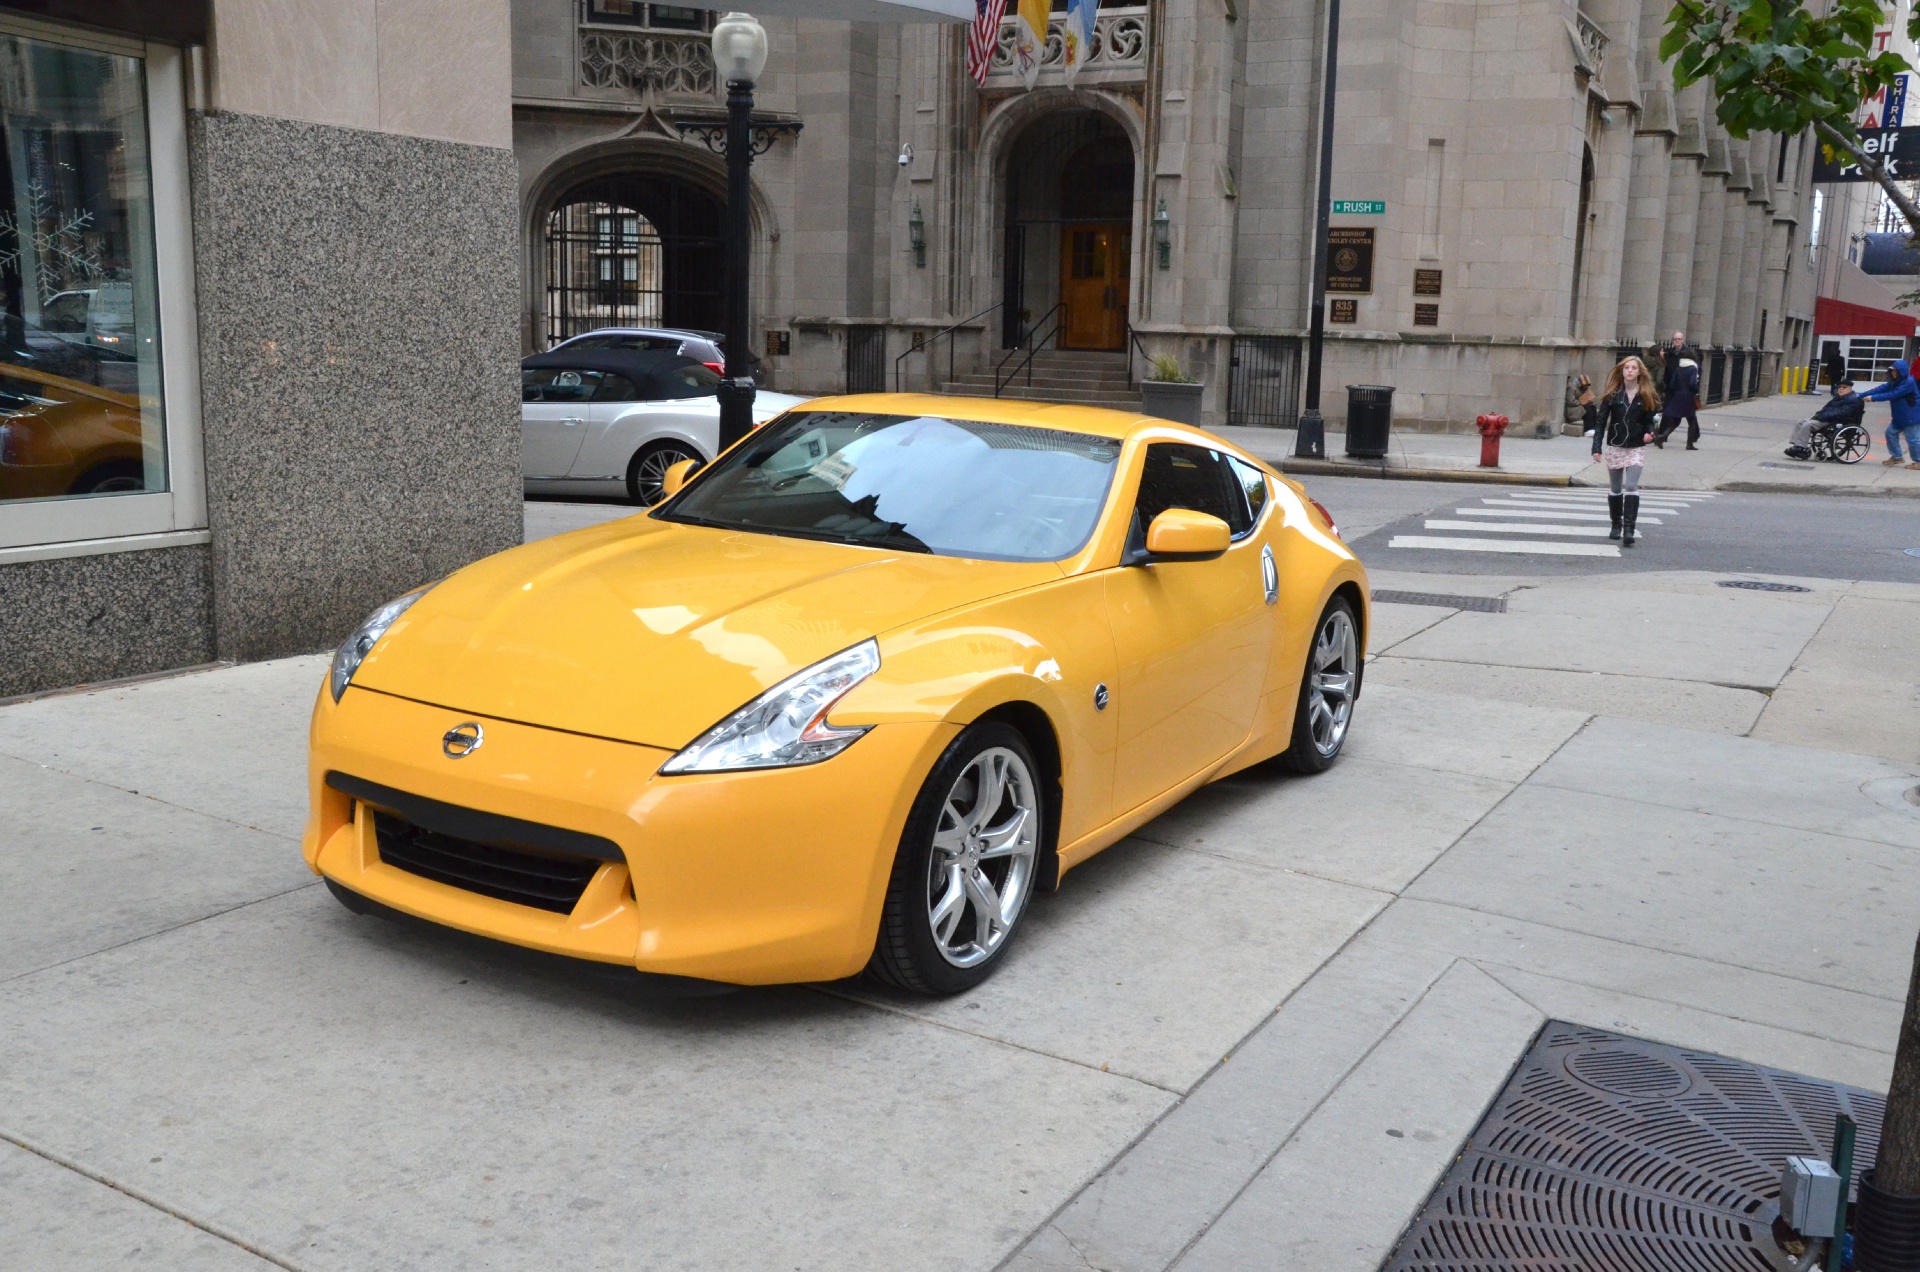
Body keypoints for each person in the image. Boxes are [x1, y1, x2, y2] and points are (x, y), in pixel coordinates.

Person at [1591, 355, 1660, 546]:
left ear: (1639, 372)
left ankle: (1629, 529)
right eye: (1626, 368)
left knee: (1630, 486)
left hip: (1636, 446)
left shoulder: (1645, 395)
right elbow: (1601, 422)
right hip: (1615, 445)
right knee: (1615, 488)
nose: (1629, 371)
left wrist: (1650, 434)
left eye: (1633, 368)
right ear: (1622, 372)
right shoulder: (1613, 395)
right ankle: (1616, 525)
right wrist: (1596, 447)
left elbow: (1651, 420)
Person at [1859, 360, 1920, 469]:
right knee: (1890, 433)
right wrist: (1861, 395)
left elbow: (1894, 394)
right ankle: (1897, 457)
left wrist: (1873, 398)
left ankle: (1918, 461)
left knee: (1913, 439)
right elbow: (1881, 389)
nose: (1893, 373)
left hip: (1911, 416)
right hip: (1899, 416)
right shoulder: (1894, 381)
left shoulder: (1908, 382)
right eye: (1892, 371)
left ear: (1902, 371)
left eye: (1895, 371)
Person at [1785, 380, 1861, 458]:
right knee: (1800, 422)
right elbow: (1826, 408)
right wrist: (1818, 415)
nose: (1841, 389)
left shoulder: (1852, 400)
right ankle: (1796, 445)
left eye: (1844, 387)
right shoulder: (1837, 398)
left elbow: (1841, 413)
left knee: (1808, 424)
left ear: (1850, 389)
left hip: (1836, 421)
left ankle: (1801, 447)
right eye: (1839, 387)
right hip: (1826, 418)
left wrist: (1823, 416)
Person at [1654, 348, 1701, 449]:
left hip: (1678, 395)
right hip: (1688, 396)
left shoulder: (1678, 368)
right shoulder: (1693, 368)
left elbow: (1672, 384)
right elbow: (1693, 383)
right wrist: (1696, 390)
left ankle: (1662, 436)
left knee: (1676, 420)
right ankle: (1689, 444)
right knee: (1692, 421)